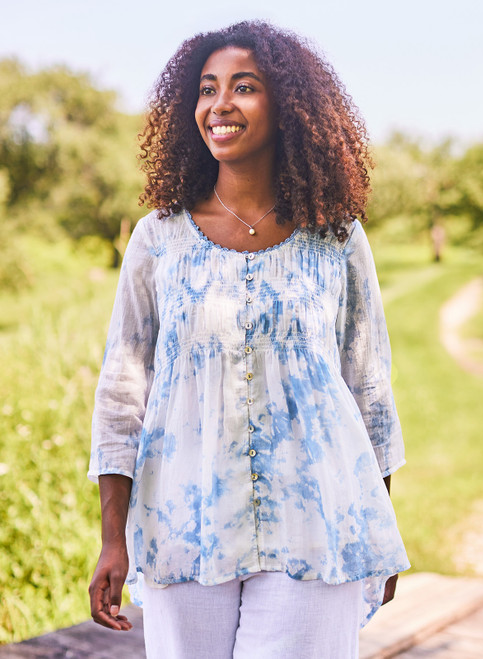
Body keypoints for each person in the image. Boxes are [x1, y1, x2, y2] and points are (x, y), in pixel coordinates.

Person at [88, 20, 410, 658]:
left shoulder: (336, 239)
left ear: (287, 106)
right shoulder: (158, 240)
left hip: (316, 525)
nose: (220, 105)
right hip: (183, 524)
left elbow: (368, 387)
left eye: (245, 87)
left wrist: (374, 522)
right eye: (207, 90)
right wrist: (113, 537)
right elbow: (123, 393)